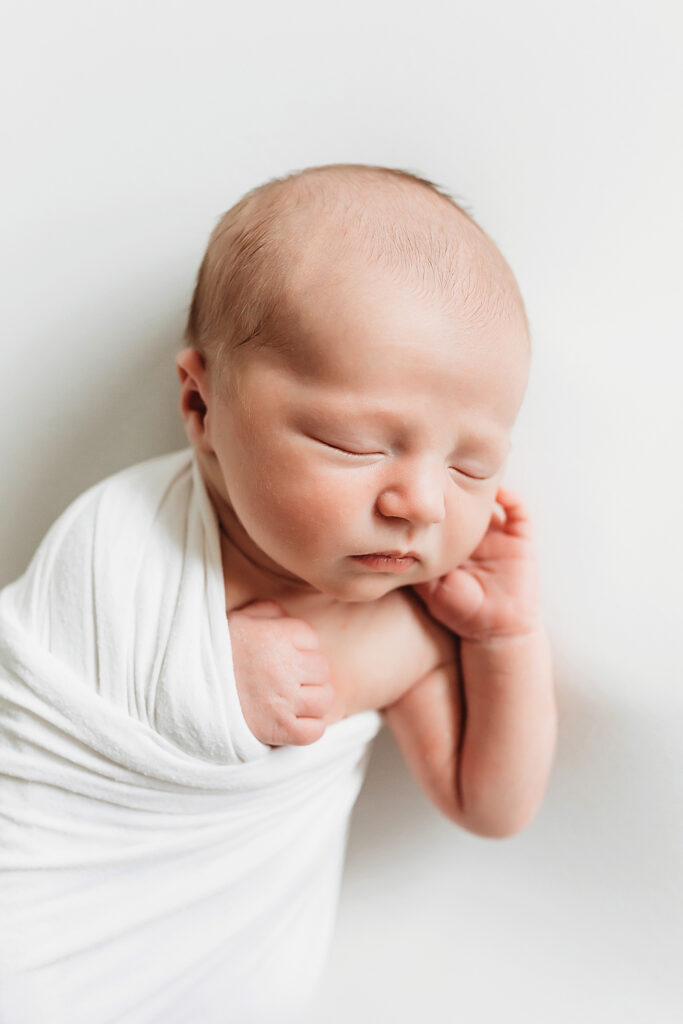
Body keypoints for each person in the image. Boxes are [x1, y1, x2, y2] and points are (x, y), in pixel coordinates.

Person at [0, 163, 556, 1023]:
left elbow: (491, 804)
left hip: (219, 977)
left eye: (469, 464)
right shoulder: (121, 534)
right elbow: (58, 688)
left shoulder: (413, 616)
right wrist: (206, 682)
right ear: (201, 402)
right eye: (352, 443)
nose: (418, 501)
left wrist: (506, 640)